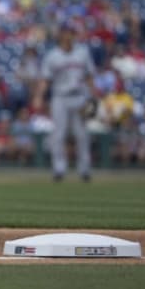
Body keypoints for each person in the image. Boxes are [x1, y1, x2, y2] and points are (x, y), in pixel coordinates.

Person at [36, 24, 97, 182]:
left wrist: (94, 95)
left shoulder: (82, 52)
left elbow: (89, 76)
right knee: (59, 134)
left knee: (82, 134)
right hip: (60, 97)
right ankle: (59, 169)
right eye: (66, 33)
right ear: (61, 35)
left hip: (80, 96)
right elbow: (45, 79)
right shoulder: (52, 55)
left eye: (71, 32)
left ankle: (84, 170)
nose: (69, 36)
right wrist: (39, 96)